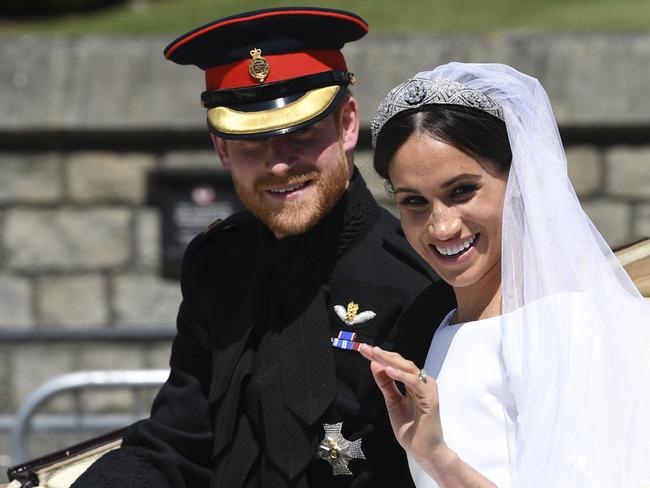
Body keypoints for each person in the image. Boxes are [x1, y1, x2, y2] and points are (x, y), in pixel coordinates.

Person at [71, 7, 455, 488]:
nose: (278, 164)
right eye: (252, 142)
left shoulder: (421, 276)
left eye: (302, 133)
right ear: (222, 149)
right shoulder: (218, 265)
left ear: (348, 125)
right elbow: (178, 444)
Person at [360, 62, 650, 487]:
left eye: (462, 191)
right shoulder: (443, 328)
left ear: (517, 181)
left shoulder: (559, 323)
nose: (442, 227)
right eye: (414, 202)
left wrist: (438, 459)